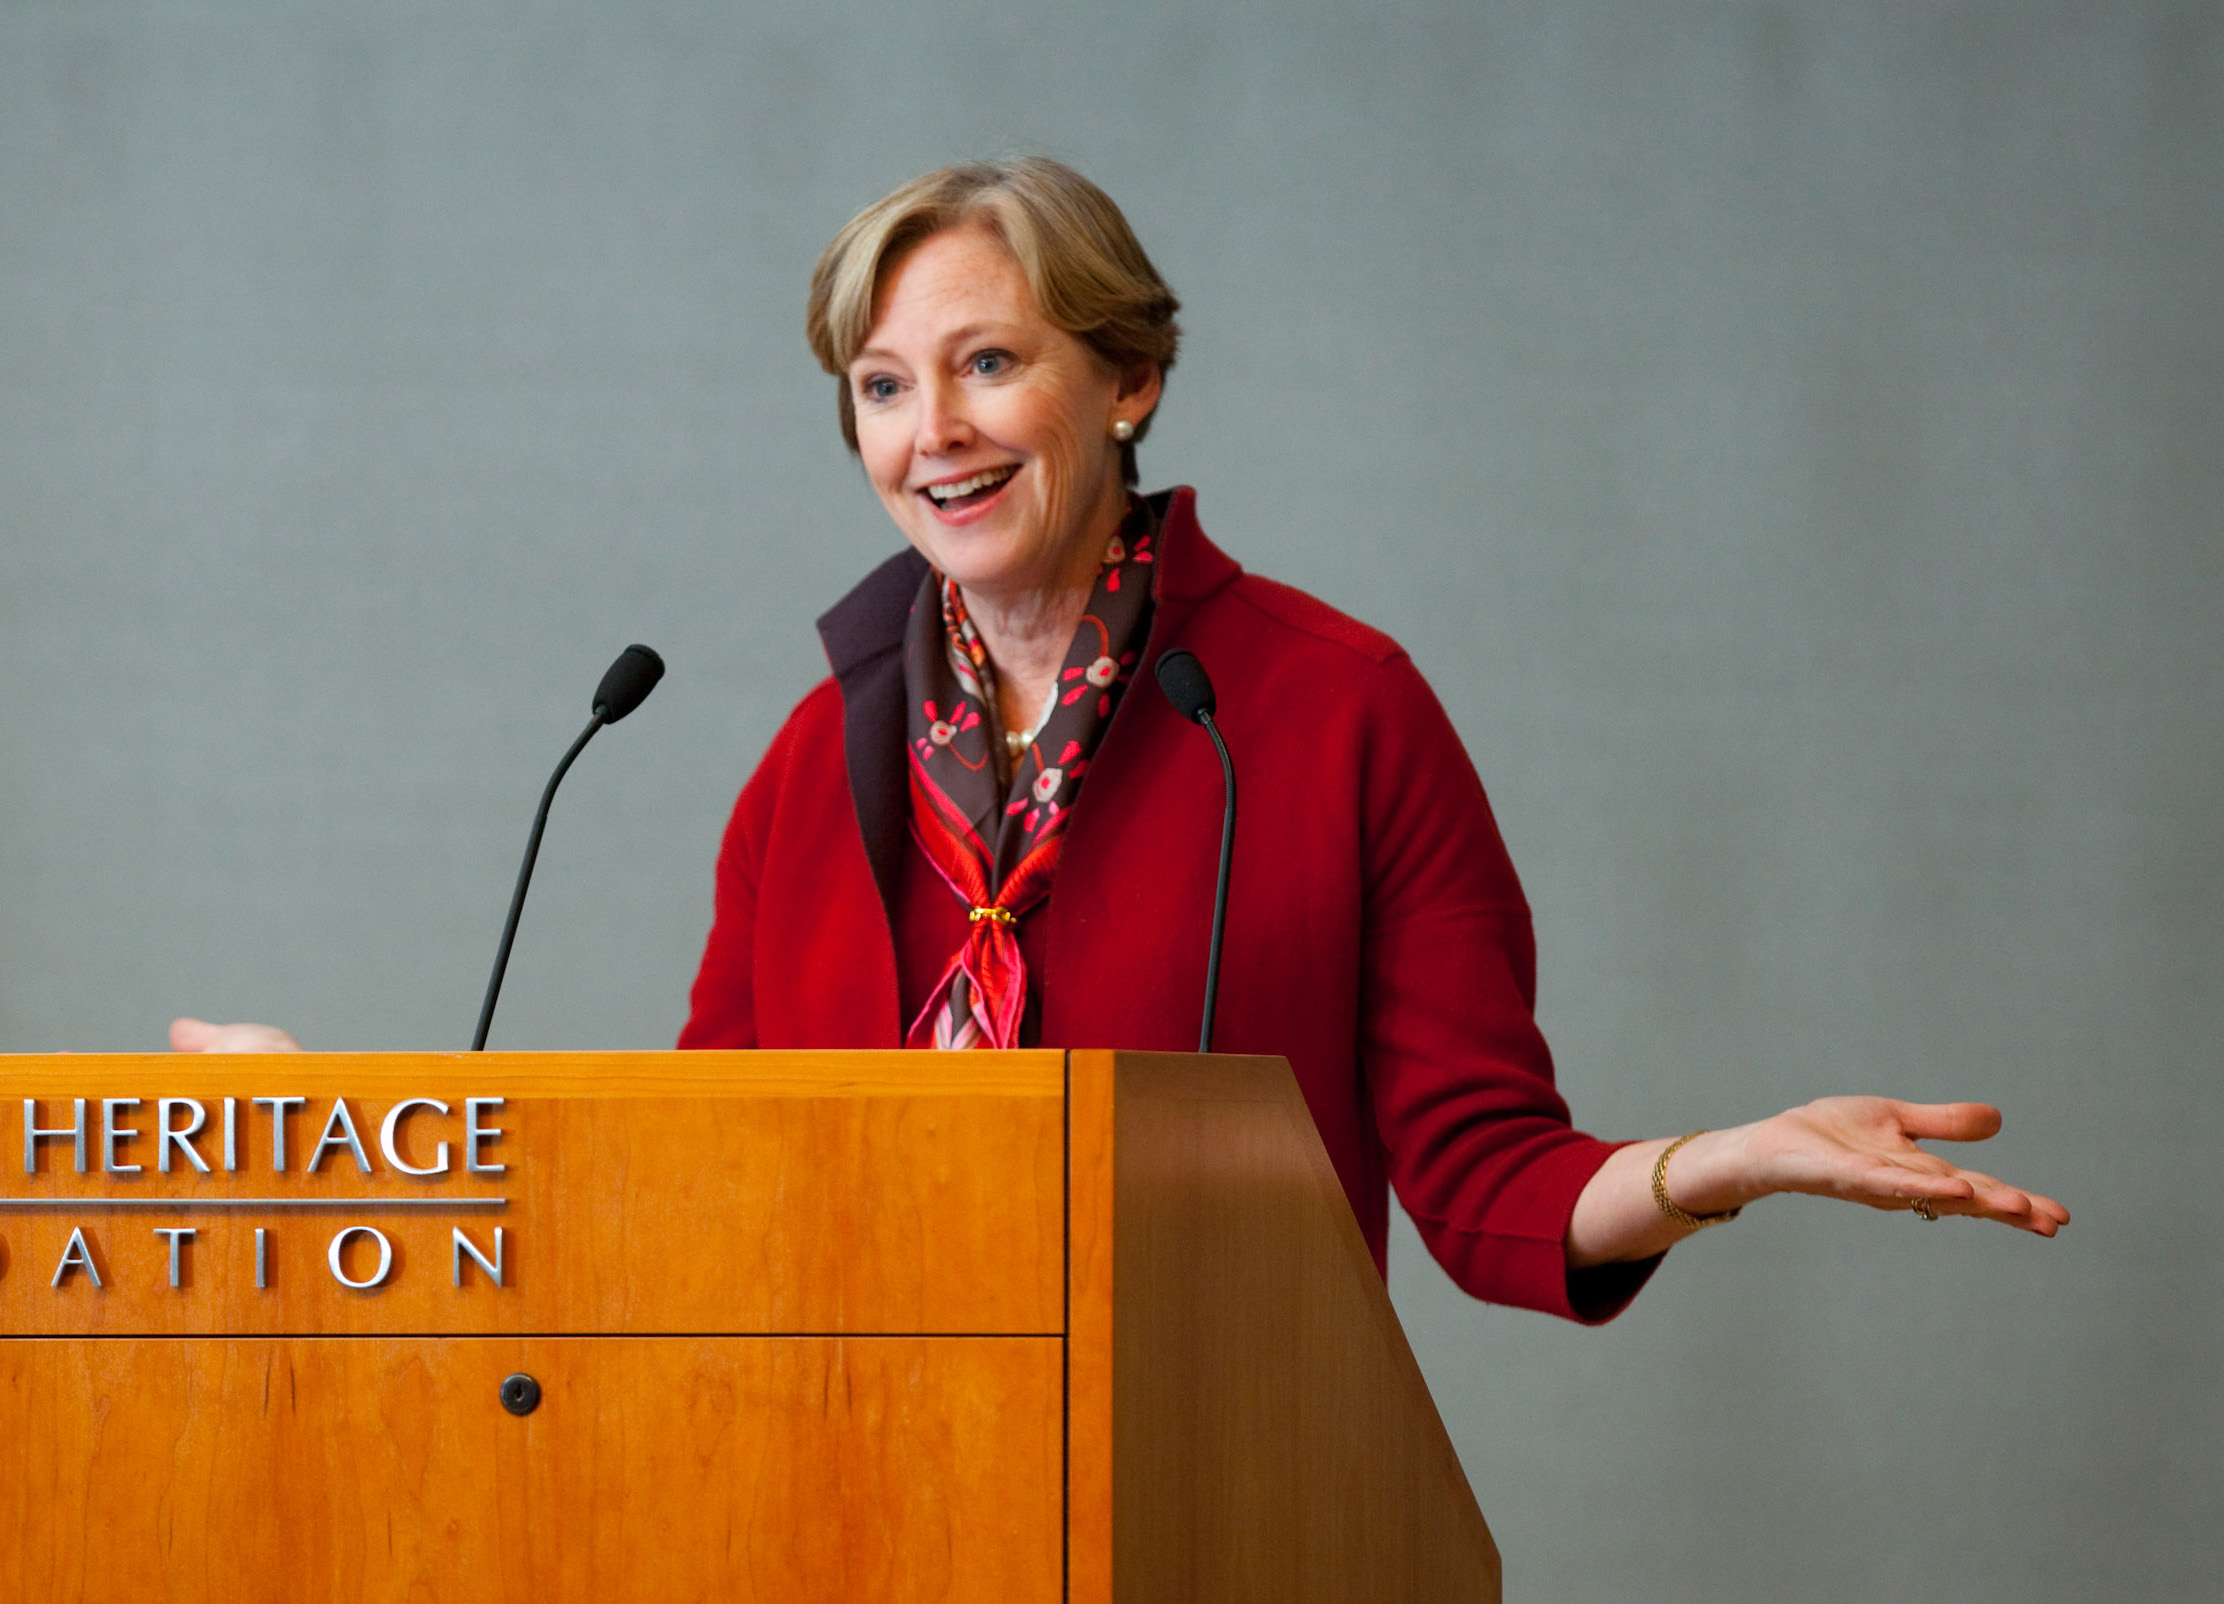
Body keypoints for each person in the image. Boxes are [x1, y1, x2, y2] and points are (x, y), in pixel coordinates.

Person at [179, 158, 2066, 1322]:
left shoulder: (1333, 712)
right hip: (834, 1497)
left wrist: (1720, 1162)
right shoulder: (808, 765)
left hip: (1214, 1494)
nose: (934, 431)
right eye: (883, 385)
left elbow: (1484, 1175)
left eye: (990, 362)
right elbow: (708, 1179)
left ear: (1132, 377)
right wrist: (361, 1136)